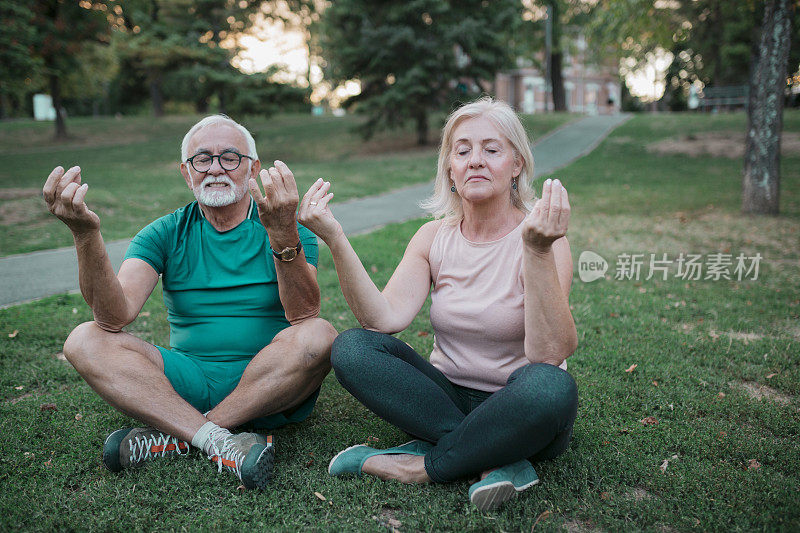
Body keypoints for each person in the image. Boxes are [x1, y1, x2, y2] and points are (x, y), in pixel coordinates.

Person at [297, 97, 578, 511]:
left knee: (551, 386)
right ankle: (493, 455)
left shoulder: (542, 238)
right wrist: (336, 237)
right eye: (462, 151)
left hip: (519, 401)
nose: (475, 161)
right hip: (443, 398)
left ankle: (419, 466)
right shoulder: (433, 237)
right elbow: (383, 318)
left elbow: (547, 353)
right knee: (352, 347)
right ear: (450, 168)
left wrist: (535, 251)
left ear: (516, 164)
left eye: (491, 149)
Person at [43, 115, 337, 490]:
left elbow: (303, 313)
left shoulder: (286, 224)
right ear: (187, 172)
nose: (216, 168)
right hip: (188, 379)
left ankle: (179, 436)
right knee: (84, 339)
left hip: (271, 379)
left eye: (230, 157)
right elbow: (113, 316)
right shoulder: (164, 232)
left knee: (320, 335)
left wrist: (281, 234)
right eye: (203, 159)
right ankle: (217, 440)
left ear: (253, 169)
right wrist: (86, 234)